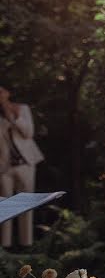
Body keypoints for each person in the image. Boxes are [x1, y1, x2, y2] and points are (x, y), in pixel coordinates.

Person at [0, 86, 45, 247]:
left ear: (7, 93)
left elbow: (28, 133)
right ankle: (5, 248)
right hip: (4, 168)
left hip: (25, 164)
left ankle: (26, 245)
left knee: (26, 205)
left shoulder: (22, 109)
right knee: (6, 207)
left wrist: (13, 115)